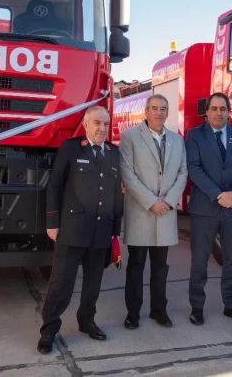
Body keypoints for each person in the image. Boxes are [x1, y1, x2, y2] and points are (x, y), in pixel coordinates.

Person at [38, 106, 124, 354]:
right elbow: (54, 185)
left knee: (93, 283)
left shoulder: (113, 153)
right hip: (73, 230)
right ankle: (49, 330)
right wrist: (52, 222)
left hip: (101, 230)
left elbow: (117, 195)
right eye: (97, 123)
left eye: (106, 124)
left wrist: (115, 228)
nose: (102, 128)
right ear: (86, 125)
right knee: (61, 283)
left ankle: (87, 322)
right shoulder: (71, 148)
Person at [185, 92, 232, 326]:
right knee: (200, 259)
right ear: (207, 112)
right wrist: (218, 195)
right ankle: (197, 307)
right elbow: (193, 168)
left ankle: (231, 305)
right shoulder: (194, 136)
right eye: (214, 109)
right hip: (204, 208)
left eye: (223, 109)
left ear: (229, 111)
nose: (218, 113)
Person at [119, 94, 188, 330]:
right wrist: (152, 201)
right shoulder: (130, 137)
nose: (159, 113)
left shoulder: (177, 141)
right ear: (146, 112)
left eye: (163, 108)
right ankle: (133, 313)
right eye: (154, 108)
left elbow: (182, 173)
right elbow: (128, 174)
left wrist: (168, 201)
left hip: (165, 213)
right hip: (141, 211)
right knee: (136, 266)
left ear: (168, 113)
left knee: (161, 266)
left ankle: (159, 310)